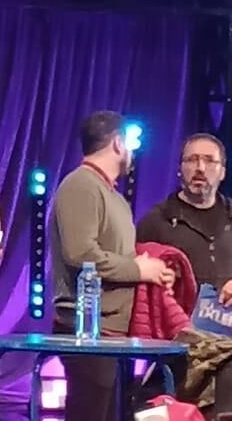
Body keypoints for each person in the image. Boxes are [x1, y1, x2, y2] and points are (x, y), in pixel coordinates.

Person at [50, 110, 175, 421]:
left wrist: (151, 268)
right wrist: (138, 269)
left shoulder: (112, 196)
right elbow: (81, 253)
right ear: (118, 143)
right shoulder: (81, 185)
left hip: (113, 334)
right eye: (129, 143)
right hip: (88, 331)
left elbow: (115, 254)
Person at [137, 133, 232, 303]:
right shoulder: (156, 221)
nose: (200, 168)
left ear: (223, 172)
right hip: (177, 326)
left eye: (210, 160)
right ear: (180, 169)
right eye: (192, 160)